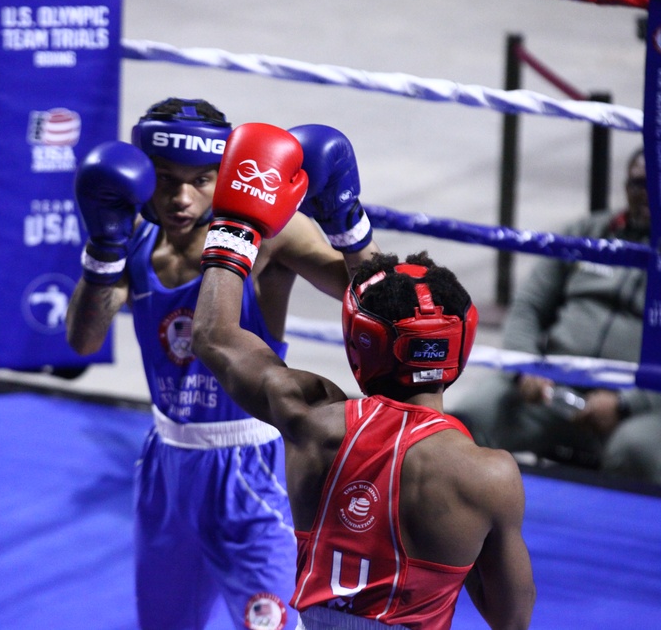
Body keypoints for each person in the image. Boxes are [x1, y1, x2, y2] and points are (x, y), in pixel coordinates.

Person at [191, 123, 535, 630]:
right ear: (459, 347)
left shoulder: (312, 418)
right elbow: (512, 620)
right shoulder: (489, 477)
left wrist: (235, 227)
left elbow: (214, 336)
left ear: (359, 344)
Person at [65, 98, 378, 630]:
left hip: (254, 465)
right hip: (168, 462)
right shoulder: (134, 239)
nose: (181, 199)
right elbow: (83, 339)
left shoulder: (270, 236)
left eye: (202, 180)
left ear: (226, 175)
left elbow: (371, 299)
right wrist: (103, 248)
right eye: (165, 180)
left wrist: (351, 229)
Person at [449, 147, 661, 484]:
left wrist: (627, 403)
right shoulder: (587, 232)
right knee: (468, 419)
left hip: (654, 401)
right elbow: (528, 306)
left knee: (635, 452)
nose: (648, 194)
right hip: (553, 389)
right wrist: (526, 369)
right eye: (639, 183)